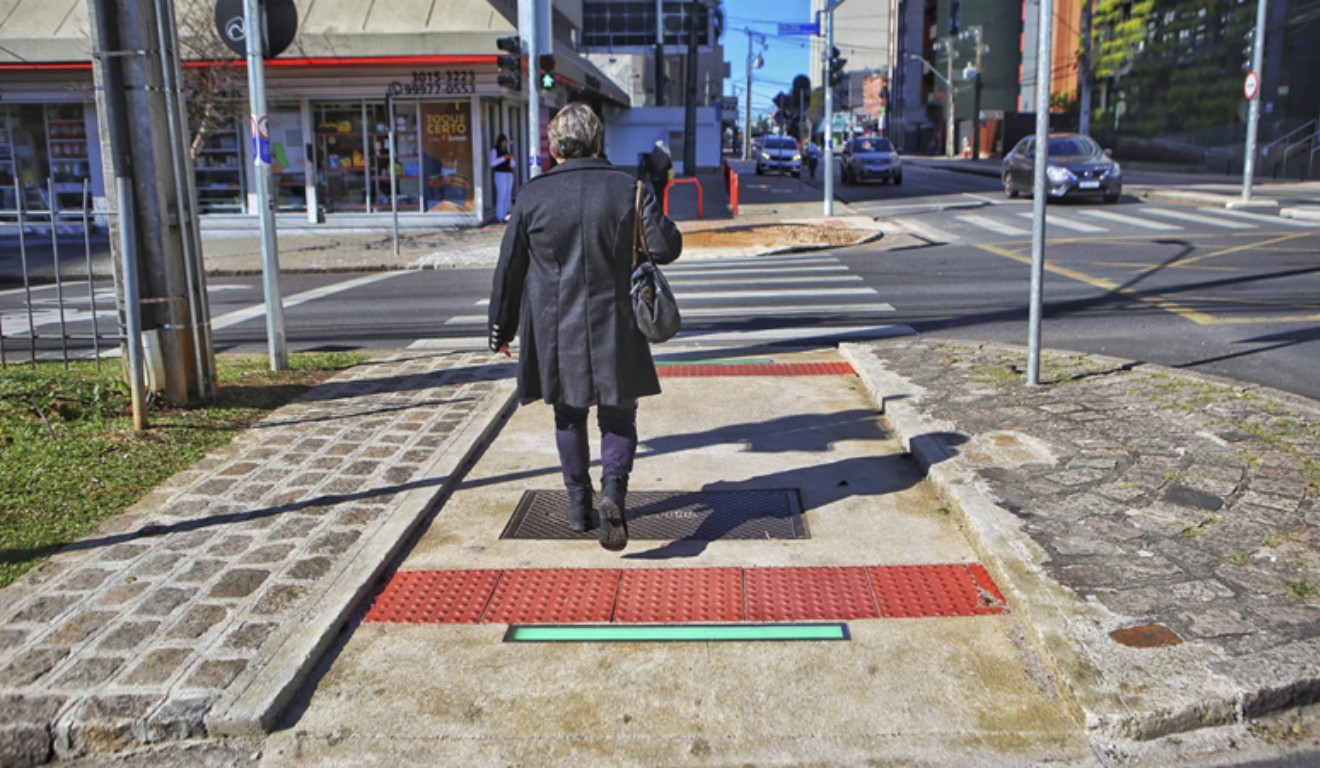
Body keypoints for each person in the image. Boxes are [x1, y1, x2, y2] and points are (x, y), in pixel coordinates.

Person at [488, 103, 683, 552]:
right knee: (619, 414)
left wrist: (502, 327)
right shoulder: (628, 188)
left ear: (555, 148)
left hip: (555, 328)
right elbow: (666, 248)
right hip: (616, 322)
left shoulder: (532, 195)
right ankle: (613, 491)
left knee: (568, 414)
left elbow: (510, 269)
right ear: (598, 142)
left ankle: (579, 506)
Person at [489, 134, 515, 222]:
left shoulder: (507, 151)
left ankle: (505, 214)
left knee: (508, 195)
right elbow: (492, 163)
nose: (505, 144)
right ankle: (499, 216)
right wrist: (503, 158)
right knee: (502, 195)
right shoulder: (495, 151)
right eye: (504, 142)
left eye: (506, 142)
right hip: (500, 174)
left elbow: (513, 165)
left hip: (508, 174)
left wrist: (511, 159)